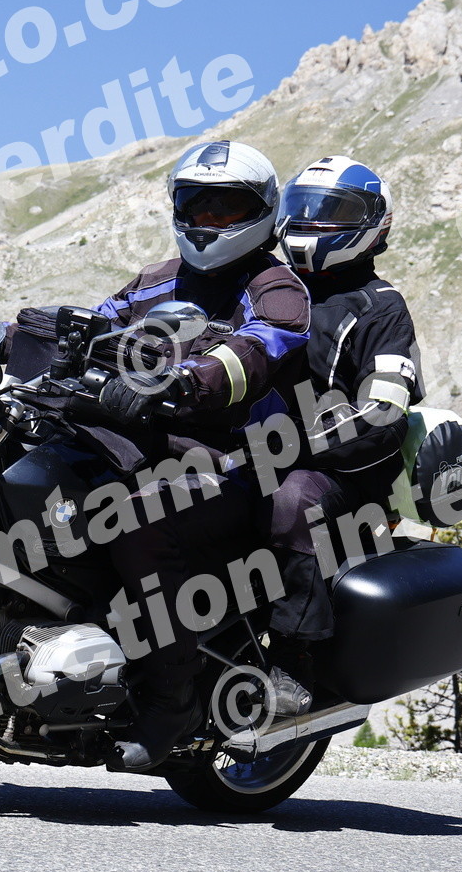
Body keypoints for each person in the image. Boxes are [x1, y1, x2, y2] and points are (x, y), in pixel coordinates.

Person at [86, 139, 311, 771]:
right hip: (144, 451)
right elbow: (96, 324)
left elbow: (262, 348)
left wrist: (189, 381)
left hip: (233, 465)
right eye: (196, 206)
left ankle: (172, 698)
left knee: (138, 518)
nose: (207, 221)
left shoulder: (275, 287)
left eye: (225, 208)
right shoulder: (157, 281)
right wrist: (13, 340)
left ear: (260, 212)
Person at [262, 155, 425, 711]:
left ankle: (293, 659)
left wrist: (294, 446)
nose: (312, 223)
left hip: (344, 471)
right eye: (304, 209)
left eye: (331, 213)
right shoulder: (269, 288)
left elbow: (383, 413)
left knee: (293, 501)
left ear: (373, 224)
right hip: (251, 452)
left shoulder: (381, 308)